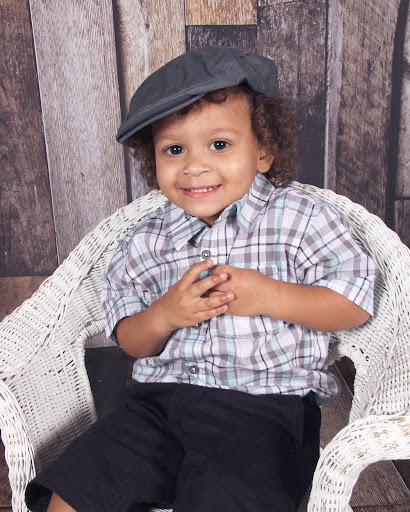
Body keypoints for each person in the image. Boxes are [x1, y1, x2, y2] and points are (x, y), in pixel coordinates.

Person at [25, 46, 377, 512]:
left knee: (226, 496)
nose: (194, 166)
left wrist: (269, 296)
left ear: (263, 151)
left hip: (262, 412)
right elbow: (131, 341)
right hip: (155, 408)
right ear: (153, 160)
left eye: (219, 145)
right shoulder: (145, 239)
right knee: (74, 490)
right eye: (174, 149)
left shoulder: (302, 218)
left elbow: (353, 304)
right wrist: (164, 315)